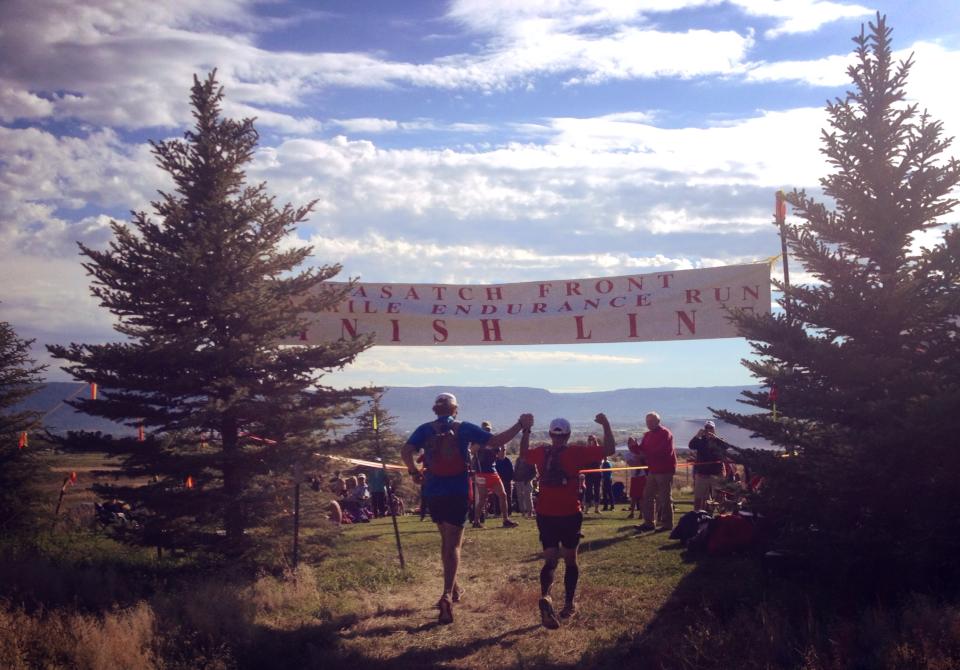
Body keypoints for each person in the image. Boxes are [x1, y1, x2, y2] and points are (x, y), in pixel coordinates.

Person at [402, 393, 532, 625]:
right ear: (455, 409)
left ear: (435, 409)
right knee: (454, 545)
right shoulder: (463, 428)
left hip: (433, 491)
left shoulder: (425, 429)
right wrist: (520, 425)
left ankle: (454, 588)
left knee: (445, 541)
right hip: (457, 490)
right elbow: (496, 440)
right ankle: (446, 595)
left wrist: (413, 471)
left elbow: (406, 450)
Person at [521, 413, 615, 628]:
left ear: (550, 434)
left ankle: (546, 595)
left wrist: (526, 430)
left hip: (545, 513)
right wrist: (606, 425)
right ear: (569, 435)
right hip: (569, 513)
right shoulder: (576, 452)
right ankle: (569, 604)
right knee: (571, 560)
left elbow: (524, 453)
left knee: (550, 560)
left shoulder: (541, 453)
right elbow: (609, 449)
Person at [629, 412, 676, 532]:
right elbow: (642, 451)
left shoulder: (665, 433)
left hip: (664, 470)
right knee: (647, 496)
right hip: (652, 470)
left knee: (665, 497)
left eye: (651, 421)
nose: (648, 424)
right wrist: (634, 446)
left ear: (658, 421)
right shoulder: (648, 435)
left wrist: (645, 454)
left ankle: (667, 524)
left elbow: (663, 451)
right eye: (647, 421)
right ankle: (649, 523)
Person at [470, 422, 518, 529]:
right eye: (485, 429)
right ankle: (476, 521)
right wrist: (480, 441)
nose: (487, 431)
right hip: (481, 472)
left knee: (503, 495)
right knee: (482, 498)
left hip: (492, 472)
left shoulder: (493, 441)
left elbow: (501, 457)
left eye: (488, 429)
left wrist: (503, 446)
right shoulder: (477, 440)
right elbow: (472, 451)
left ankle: (505, 520)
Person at [688, 420, 739, 511]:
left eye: (710, 428)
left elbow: (726, 446)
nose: (708, 430)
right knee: (699, 497)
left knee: (719, 497)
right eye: (706, 428)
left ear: (714, 429)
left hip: (716, 474)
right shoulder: (700, 441)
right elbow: (691, 445)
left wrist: (715, 437)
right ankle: (696, 515)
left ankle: (719, 515)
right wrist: (697, 435)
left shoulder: (718, 441)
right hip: (702, 474)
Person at [513, 449, 537, 519]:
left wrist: (528, 479)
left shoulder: (531, 460)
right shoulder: (518, 459)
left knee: (528, 497)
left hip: (527, 481)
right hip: (518, 480)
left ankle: (530, 512)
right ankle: (522, 512)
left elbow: (534, 472)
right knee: (520, 497)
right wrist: (514, 477)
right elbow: (516, 469)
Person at [583, 435, 602, 513]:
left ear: (595, 440)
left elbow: (600, 460)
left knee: (597, 490)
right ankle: (587, 508)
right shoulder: (586, 449)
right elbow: (584, 460)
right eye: (589, 439)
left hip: (597, 472)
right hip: (589, 473)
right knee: (588, 490)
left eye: (592, 439)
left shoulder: (598, 449)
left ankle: (596, 508)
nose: (591, 441)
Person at [495, 446, 515, 516]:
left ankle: (508, 511)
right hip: (497, 481)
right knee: (497, 497)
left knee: (508, 497)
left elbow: (511, 472)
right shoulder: (495, 460)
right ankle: (497, 512)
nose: (503, 452)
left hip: (507, 481)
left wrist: (508, 480)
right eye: (502, 450)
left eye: (504, 450)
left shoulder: (507, 460)